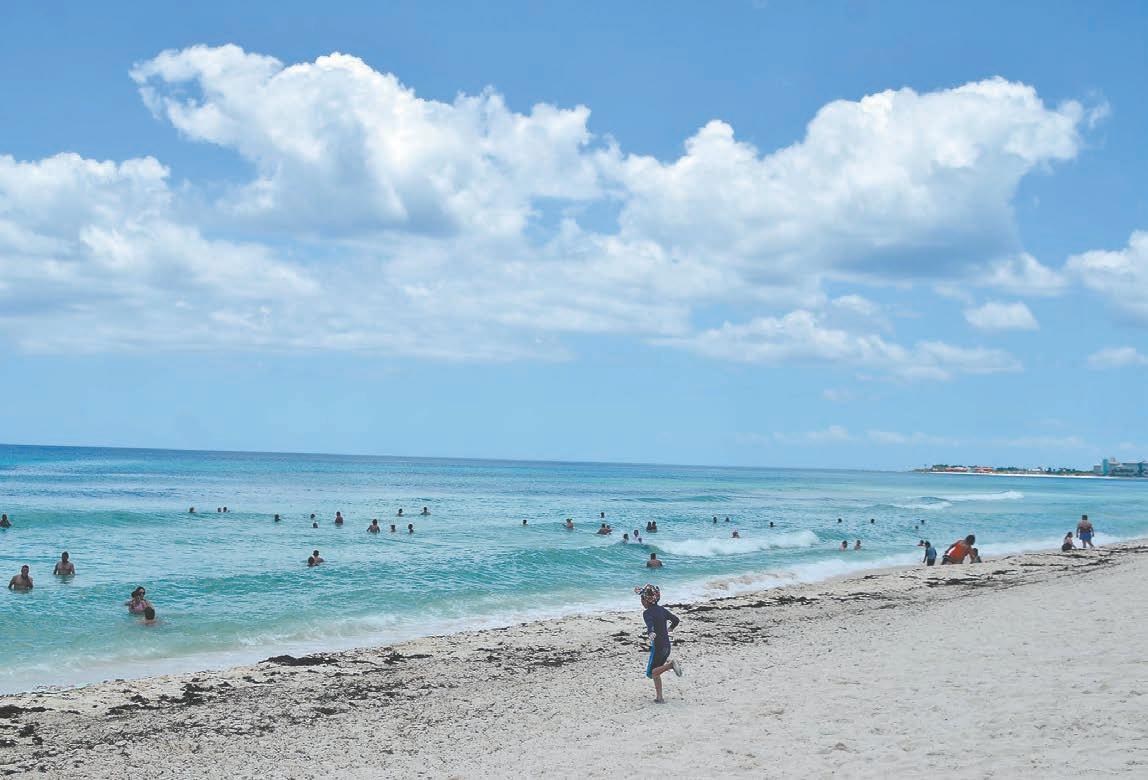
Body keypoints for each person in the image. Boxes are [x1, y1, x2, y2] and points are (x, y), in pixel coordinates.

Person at [636, 584, 682, 704]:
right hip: (667, 646)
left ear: (646, 600)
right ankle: (659, 697)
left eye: (642, 598)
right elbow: (676, 620)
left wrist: (651, 632)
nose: (641, 601)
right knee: (657, 671)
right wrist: (670, 628)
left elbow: (650, 624)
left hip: (658, 646)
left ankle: (671, 665)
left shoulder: (647, 613)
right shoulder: (662, 610)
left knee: (652, 673)